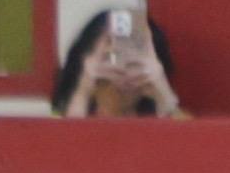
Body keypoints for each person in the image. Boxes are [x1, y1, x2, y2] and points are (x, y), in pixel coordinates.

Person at [51, 8, 184, 119]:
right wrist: (83, 91)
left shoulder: (162, 116)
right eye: (111, 54)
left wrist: (163, 96)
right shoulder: (58, 116)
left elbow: (188, 138)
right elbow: (65, 138)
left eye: (136, 50)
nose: (123, 63)